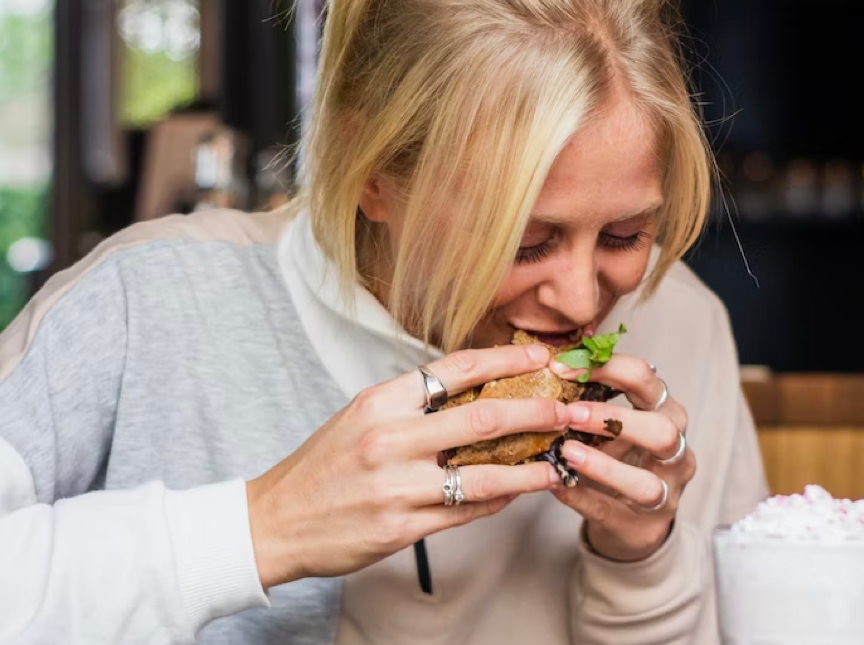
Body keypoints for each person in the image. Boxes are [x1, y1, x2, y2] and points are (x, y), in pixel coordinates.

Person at [0, 0, 768, 643]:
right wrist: (262, 526)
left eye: (626, 235)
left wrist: (641, 558)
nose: (578, 298)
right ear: (370, 171)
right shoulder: (148, 301)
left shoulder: (685, 324)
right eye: (523, 240)